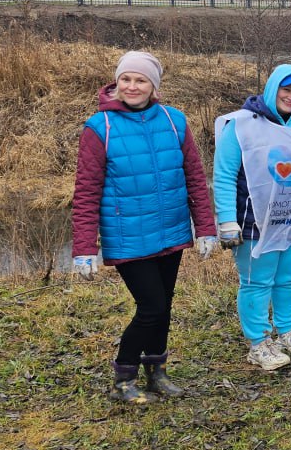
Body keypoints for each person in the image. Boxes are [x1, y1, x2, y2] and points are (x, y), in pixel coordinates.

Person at [72, 50, 217, 404]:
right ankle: (123, 378)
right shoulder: (99, 128)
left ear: (154, 86)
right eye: (126, 79)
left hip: (170, 229)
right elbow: (86, 191)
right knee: (150, 306)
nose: (132, 86)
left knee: (164, 305)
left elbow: (195, 178)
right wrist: (84, 249)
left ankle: (157, 372)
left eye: (140, 80)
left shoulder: (174, 121)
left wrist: (206, 227)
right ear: (116, 82)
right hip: (128, 236)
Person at [214, 64, 291, 372]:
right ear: (272, 88)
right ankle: (259, 342)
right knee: (257, 281)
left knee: (288, 277)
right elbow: (223, 175)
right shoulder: (241, 125)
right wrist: (226, 219)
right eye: (286, 90)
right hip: (253, 220)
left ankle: (287, 331)